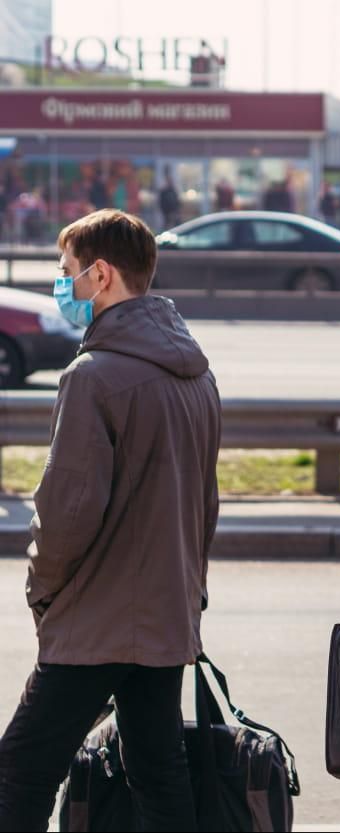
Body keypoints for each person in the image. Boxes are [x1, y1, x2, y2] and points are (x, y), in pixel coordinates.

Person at [0, 210, 221, 831]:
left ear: (100, 275)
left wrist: (42, 593)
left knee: (21, 768)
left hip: (97, 619)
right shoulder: (197, 374)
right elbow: (205, 502)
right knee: (157, 771)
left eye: (66, 272)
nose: (60, 284)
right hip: (165, 615)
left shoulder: (93, 376)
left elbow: (66, 510)